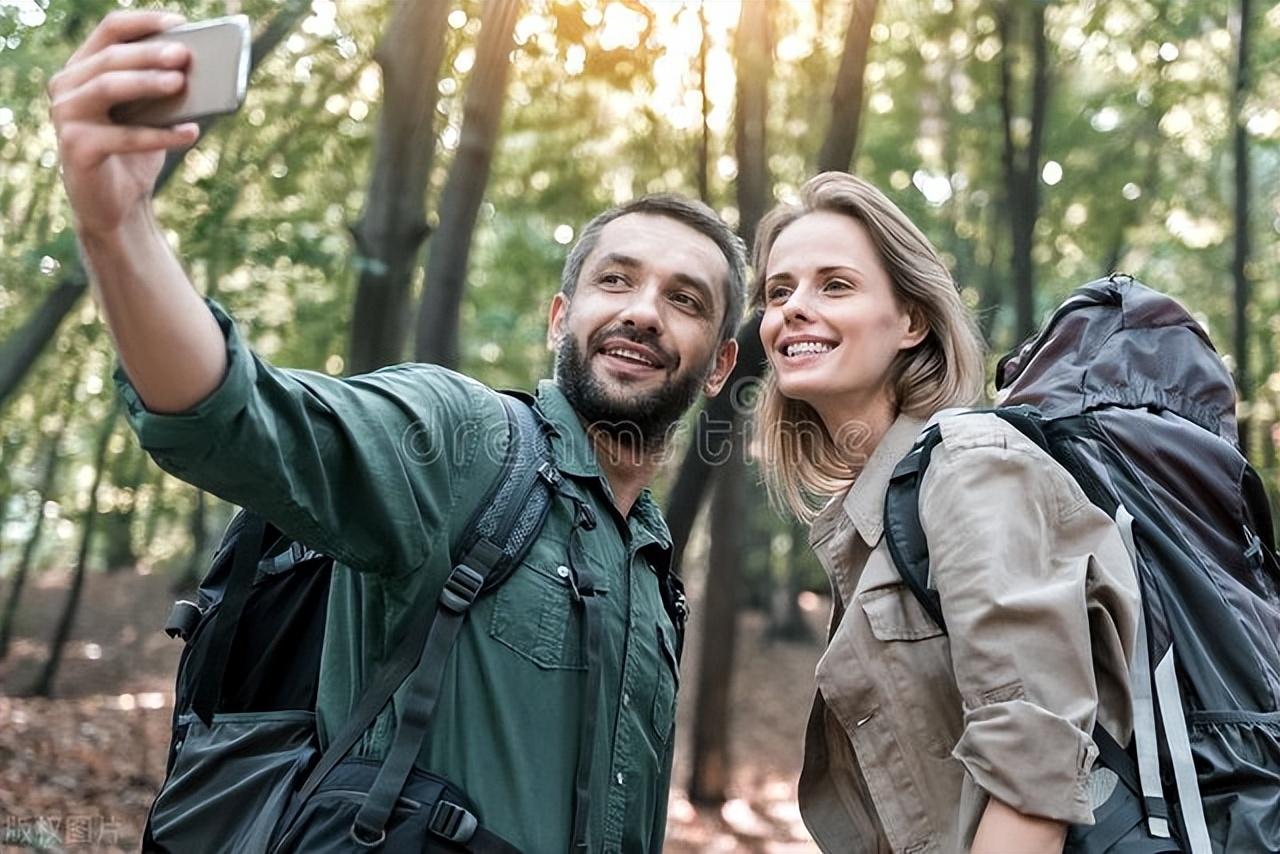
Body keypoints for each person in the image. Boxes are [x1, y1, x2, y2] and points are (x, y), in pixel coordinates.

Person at [49, 10, 744, 852]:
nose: (641, 312)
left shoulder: (655, 572)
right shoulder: (463, 442)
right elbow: (243, 421)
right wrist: (118, 229)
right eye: (617, 281)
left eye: (684, 299)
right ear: (561, 318)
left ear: (718, 365)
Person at [750, 172, 1141, 854]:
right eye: (778, 292)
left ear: (911, 320)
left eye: (834, 285)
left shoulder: (971, 467)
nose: (792, 309)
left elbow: (1033, 773)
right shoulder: (878, 512)